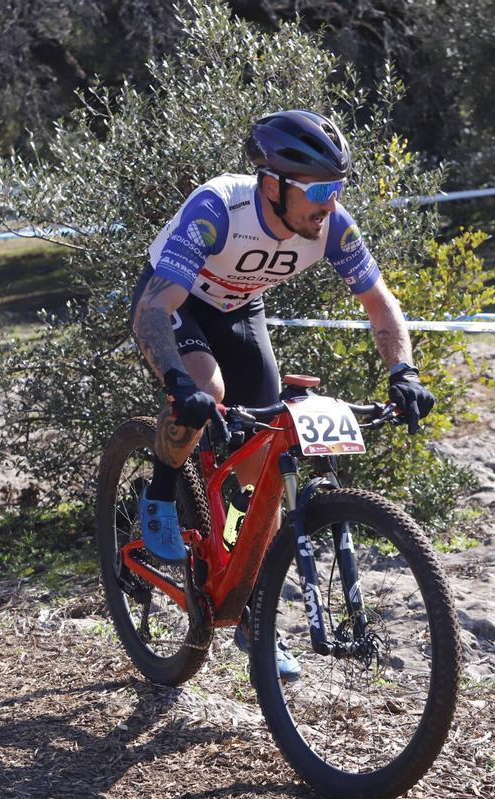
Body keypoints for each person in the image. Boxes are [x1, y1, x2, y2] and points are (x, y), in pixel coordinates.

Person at [130, 110, 436, 679]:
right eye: (319, 188)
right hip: (178, 303)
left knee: (265, 452)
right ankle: (162, 487)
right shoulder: (218, 210)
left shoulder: (332, 225)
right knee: (206, 390)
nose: (330, 201)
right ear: (272, 184)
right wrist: (176, 382)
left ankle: (248, 607)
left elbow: (380, 303)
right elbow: (154, 309)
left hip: (242, 310)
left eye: (338, 187)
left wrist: (404, 371)